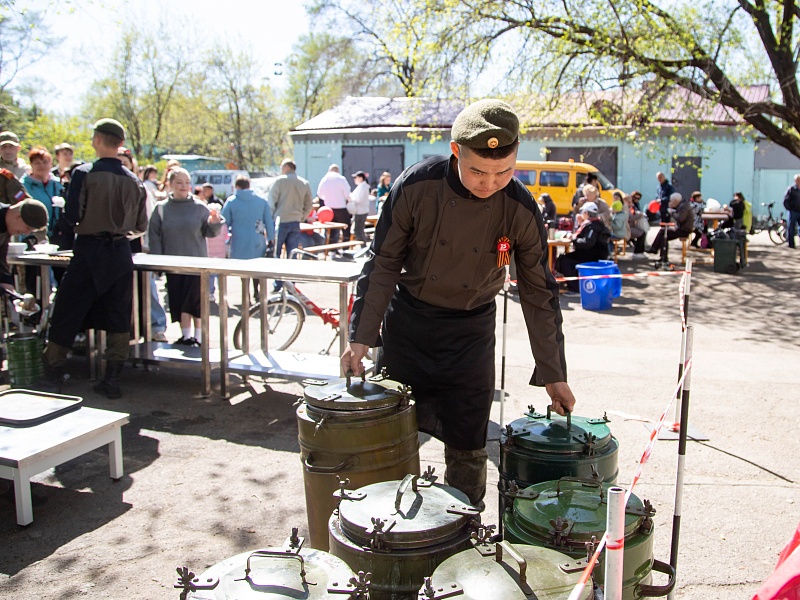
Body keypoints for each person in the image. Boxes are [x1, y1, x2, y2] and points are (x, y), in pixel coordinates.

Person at [340, 99, 577, 509]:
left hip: (471, 336)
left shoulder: (520, 208)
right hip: (409, 328)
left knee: (469, 444)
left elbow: (539, 293)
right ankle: (387, 524)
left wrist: (554, 374)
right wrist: (360, 339)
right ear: (456, 152)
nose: (490, 183)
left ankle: (466, 522)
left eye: (504, 172)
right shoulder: (416, 186)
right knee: (393, 437)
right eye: (478, 171)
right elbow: (382, 265)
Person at [39, 118, 148, 399]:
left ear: (97, 140)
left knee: (67, 310)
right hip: (120, 252)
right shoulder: (135, 180)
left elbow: (72, 215)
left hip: (89, 250)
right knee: (118, 316)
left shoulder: (83, 173)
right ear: (120, 144)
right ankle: (112, 378)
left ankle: (52, 375)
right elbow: (141, 225)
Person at [148, 168, 223, 346]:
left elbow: (210, 232)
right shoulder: (161, 209)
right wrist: (158, 263)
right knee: (179, 300)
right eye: (179, 182)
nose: (184, 186)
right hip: (173, 264)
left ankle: (199, 337)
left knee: (195, 301)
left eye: (187, 183)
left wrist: (215, 222)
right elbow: (155, 237)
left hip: (196, 263)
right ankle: (186, 336)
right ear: (170, 184)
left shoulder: (199, 207)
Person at [220, 175, 273, 301]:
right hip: (257, 240)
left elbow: (225, 221)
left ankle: (246, 294)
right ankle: (257, 291)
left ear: (237, 186)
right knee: (257, 268)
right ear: (249, 186)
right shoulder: (261, 201)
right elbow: (269, 222)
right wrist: (271, 238)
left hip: (239, 240)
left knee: (243, 269)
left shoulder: (232, 201)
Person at [269, 158, 312, 290]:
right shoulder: (304, 183)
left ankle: (278, 283)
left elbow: (271, 201)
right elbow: (309, 204)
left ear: (286, 167)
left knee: (277, 253)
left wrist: (270, 218)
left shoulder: (279, 181)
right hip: (295, 221)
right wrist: (302, 217)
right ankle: (291, 283)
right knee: (292, 253)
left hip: (280, 220)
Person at [555, 201, 611, 294]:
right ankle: (573, 284)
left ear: (586, 213)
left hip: (593, 255)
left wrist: (573, 239)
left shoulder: (593, 226)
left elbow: (587, 242)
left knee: (565, 261)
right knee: (563, 259)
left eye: (583, 212)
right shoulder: (594, 223)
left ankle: (575, 289)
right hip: (592, 253)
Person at [0, 200, 48, 293]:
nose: (26, 233)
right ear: (18, 217)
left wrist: (7, 283)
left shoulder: (6, 226)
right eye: (27, 228)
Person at [316, 164, 351, 244]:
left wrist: (327, 198)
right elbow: (347, 194)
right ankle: (346, 246)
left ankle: (331, 247)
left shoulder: (324, 179)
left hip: (328, 208)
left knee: (330, 229)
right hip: (340, 207)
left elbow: (320, 194)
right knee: (346, 227)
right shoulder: (341, 179)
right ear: (338, 171)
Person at [348, 170, 371, 243]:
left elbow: (359, 199)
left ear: (361, 178)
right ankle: (363, 246)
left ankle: (363, 246)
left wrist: (351, 198)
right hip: (360, 211)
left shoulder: (363, 187)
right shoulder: (362, 186)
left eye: (356, 177)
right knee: (359, 230)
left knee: (358, 231)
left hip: (361, 211)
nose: (354, 179)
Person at [784, 174, 800, 249]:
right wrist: (790, 209)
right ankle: (791, 244)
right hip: (793, 211)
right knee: (791, 228)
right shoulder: (791, 189)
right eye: (798, 180)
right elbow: (786, 200)